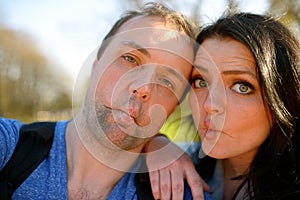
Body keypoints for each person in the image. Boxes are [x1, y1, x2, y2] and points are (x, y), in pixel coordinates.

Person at [0, 2, 210, 199]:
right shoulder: (11, 147)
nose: (142, 88)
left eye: (166, 81)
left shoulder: (184, 193)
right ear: (96, 64)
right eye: (130, 58)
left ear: (172, 109)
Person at [189, 12, 300, 199]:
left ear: (283, 98)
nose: (209, 105)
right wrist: (153, 146)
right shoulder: (180, 162)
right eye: (201, 82)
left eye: (241, 87)